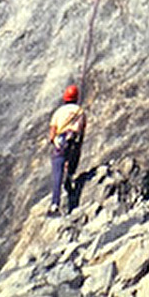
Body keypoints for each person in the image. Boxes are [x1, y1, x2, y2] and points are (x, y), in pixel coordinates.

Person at [48, 84, 86, 215]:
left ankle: (55, 205)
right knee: (72, 161)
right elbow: (81, 131)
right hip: (73, 140)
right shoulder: (80, 111)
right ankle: (70, 176)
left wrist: (53, 141)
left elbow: (52, 132)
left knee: (57, 175)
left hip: (60, 142)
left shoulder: (58, 112)